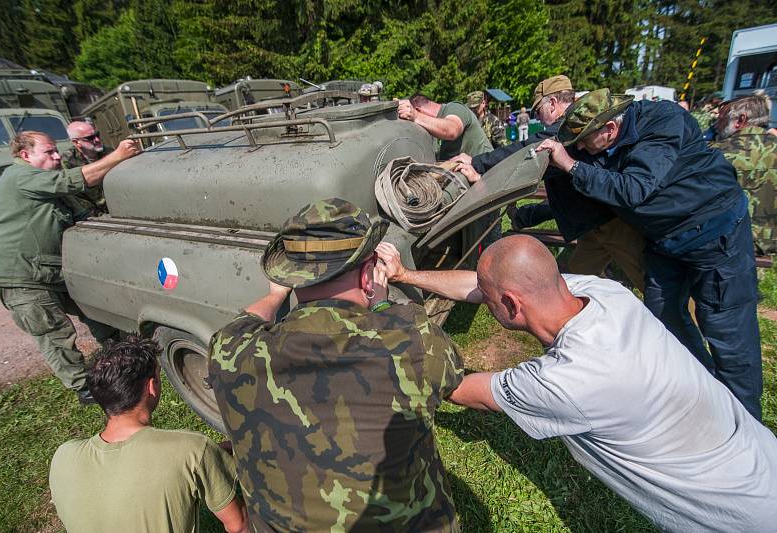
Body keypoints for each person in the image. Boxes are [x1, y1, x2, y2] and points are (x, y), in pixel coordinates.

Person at [375, 236, 777, 533]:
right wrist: (405, 274)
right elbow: (488, 286)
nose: (483, 299)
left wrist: (377, 319)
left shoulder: (566, 384)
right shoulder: (605, 293)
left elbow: (457, 388)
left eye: (491, 297)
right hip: (759, 456)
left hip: (739, 517)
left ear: (512, 305)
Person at [208, 198, 464, 532]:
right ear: (368, 275)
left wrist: (274, 296)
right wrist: (383, 302)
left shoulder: (231, 352)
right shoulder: (414, 339)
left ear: (293, 279)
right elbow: (452, 373)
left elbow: (238, 327)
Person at [537, 88, 763, 420]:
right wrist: (478, 164)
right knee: (664, 318)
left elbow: (634, 189)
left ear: (610, 129)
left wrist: (571, 165)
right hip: (665, 241)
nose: (581, 149)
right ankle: (703, 394)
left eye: (584, 140)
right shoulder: (603, 137)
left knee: (727, 330)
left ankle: (746, 426)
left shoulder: (662, 123)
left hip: (716, 236)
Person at [0, 131, 140, 404]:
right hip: (18, 273)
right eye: (49, 152)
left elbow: (85, 213)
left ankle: (121, 355)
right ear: (25, 155)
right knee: (53, 331)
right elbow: (75, 181)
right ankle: (85, 387)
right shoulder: (20, 176)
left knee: (95, 306)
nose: (56, 156)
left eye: (56, 151)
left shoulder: (43, 186)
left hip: (48, 269)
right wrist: (118, 156)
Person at [454, 76, 646, 292]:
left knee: (652, 282)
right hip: (591, 227)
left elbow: (525, 149)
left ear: (553, 103)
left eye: (539, 110)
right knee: (576, 283)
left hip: (612, 223)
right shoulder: (571, 124)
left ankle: (680, 322)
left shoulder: (571, 126)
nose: (537, 116)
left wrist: (477, 163)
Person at [49, 336, 249, 533]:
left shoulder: (63, 456)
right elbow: (239, 526)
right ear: (152, 387)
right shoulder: (192, 449)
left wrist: (211, 454)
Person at [711, 94, 777, 255]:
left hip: (731, 241)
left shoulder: (716, 152)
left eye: (721, 120)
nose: (716, 125)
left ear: (740, 120)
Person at [398, 93, 492, 160]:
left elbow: (452, 130)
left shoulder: (455, 108)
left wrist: (416, 116)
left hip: (491, 177)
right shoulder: (433, 130)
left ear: (417, 109)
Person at [62, 120, 110, 217]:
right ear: (76, 142)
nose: (97, 139)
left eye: (97, 135)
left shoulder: (109, 152)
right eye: (90, 138)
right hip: (95, 215)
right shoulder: (68, 163)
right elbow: (77, 199)